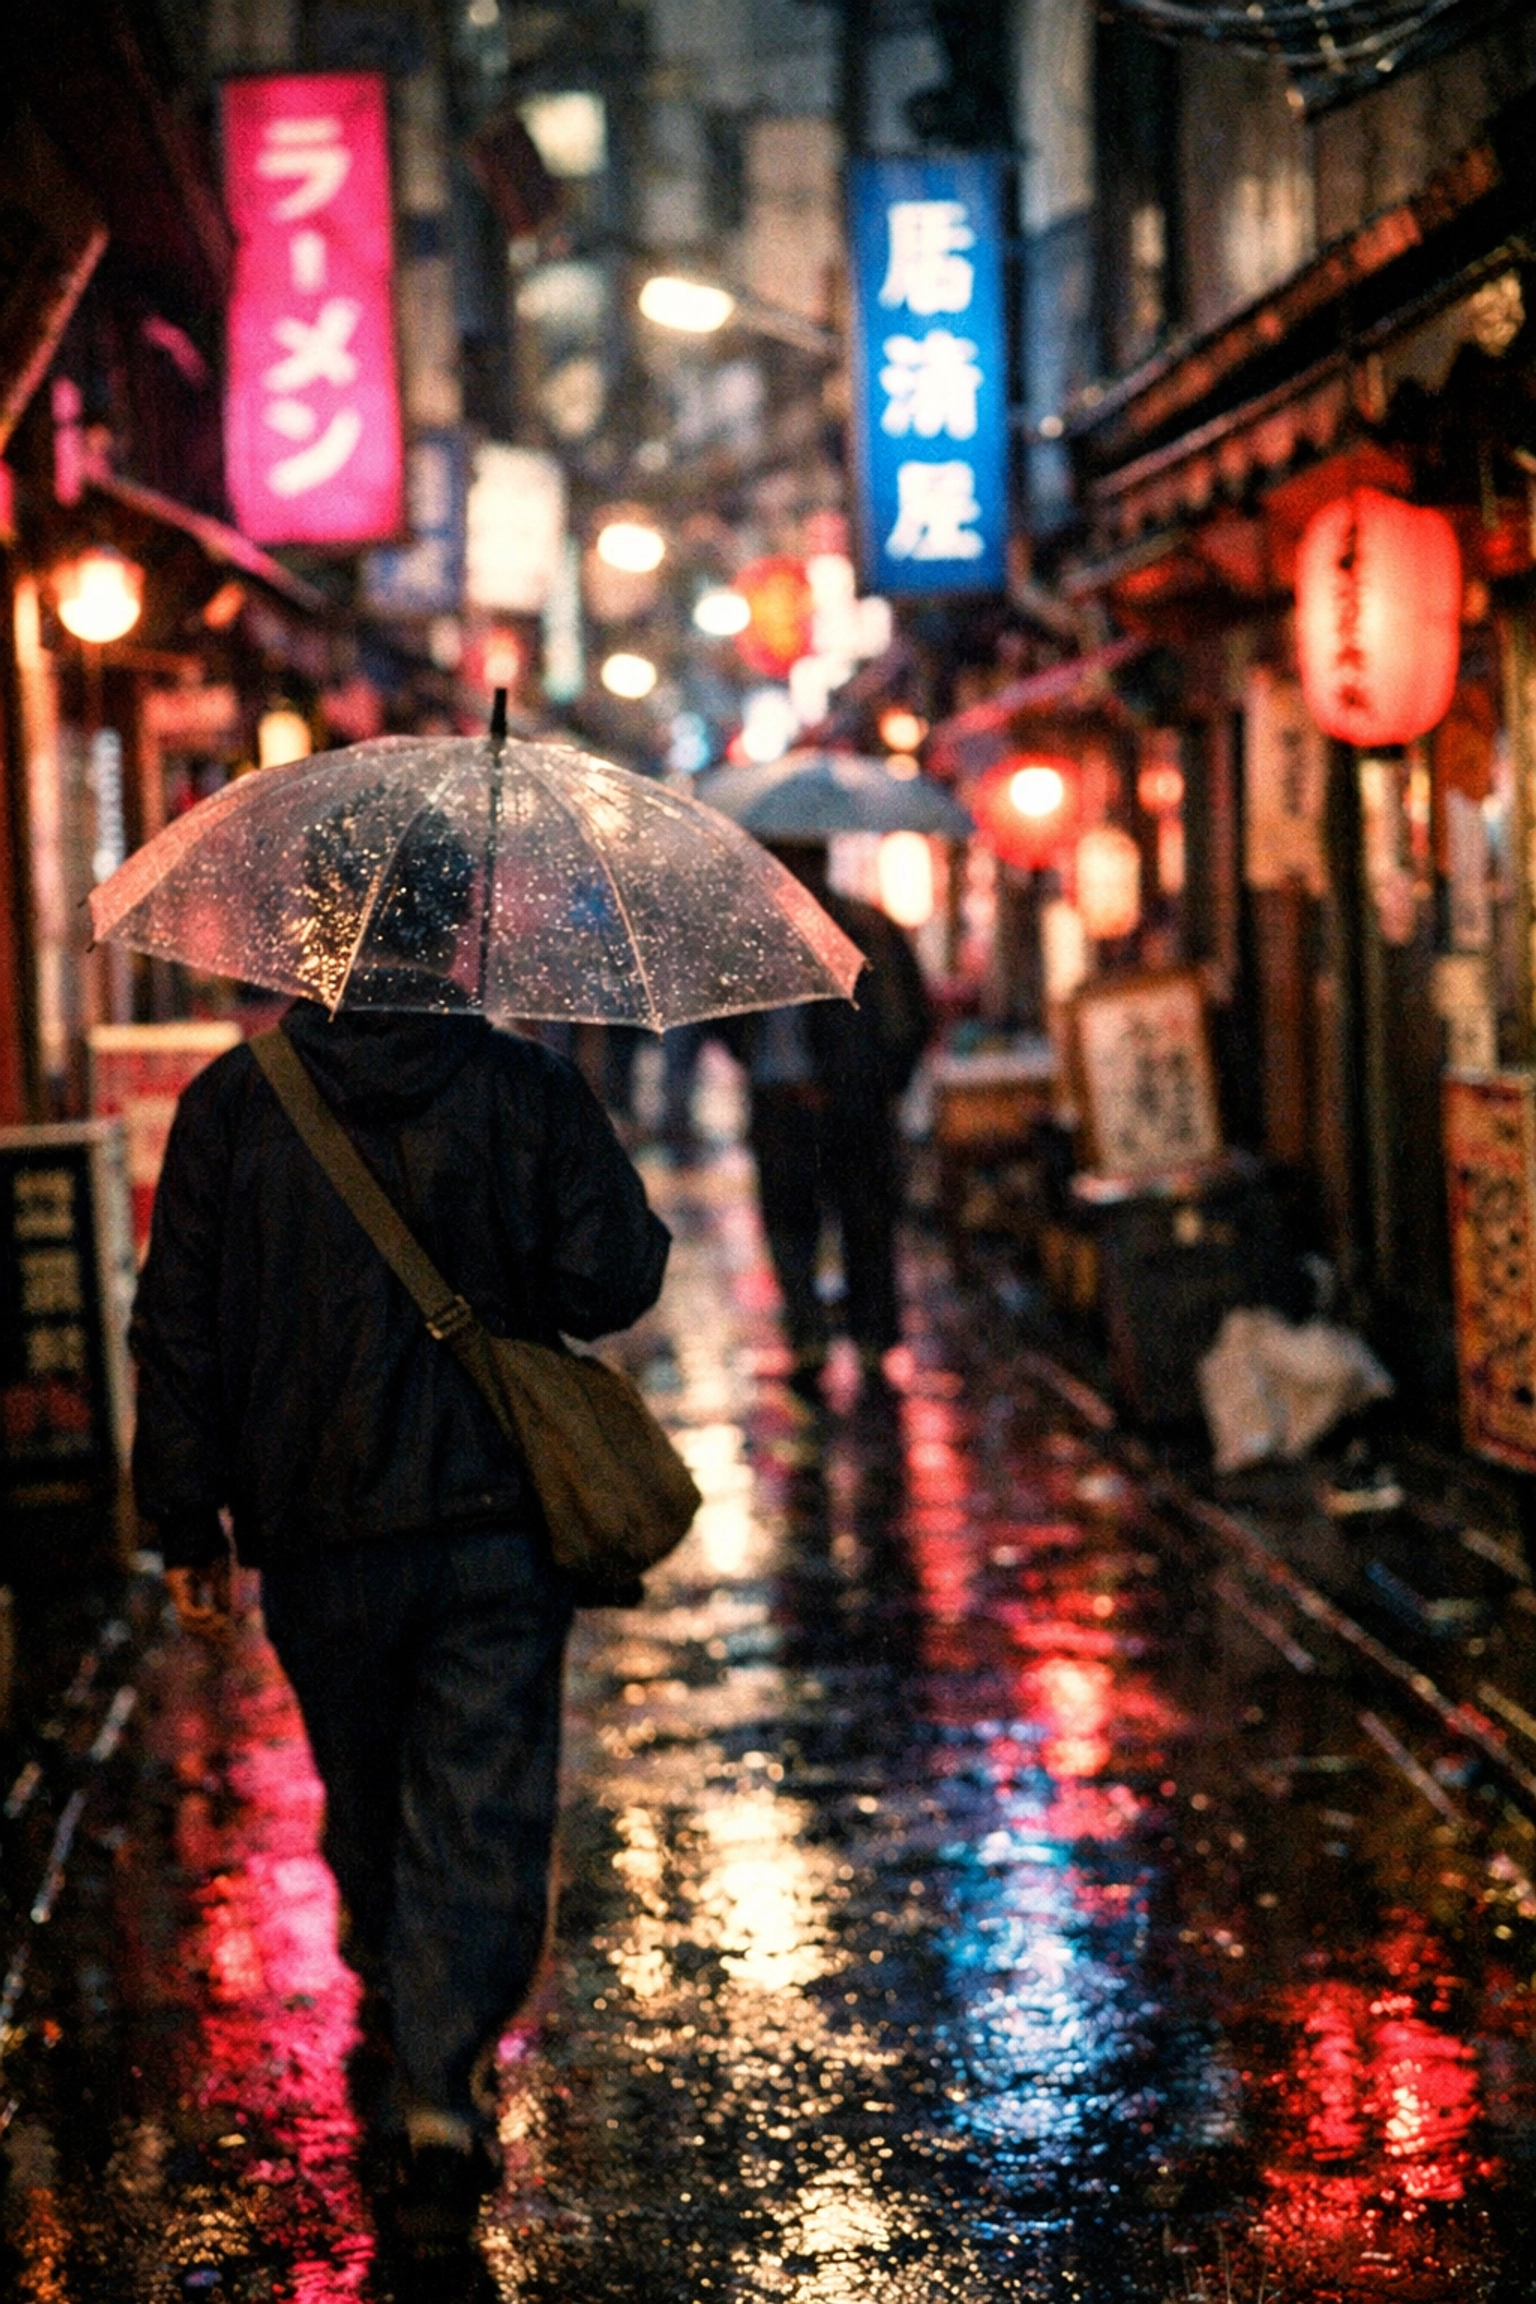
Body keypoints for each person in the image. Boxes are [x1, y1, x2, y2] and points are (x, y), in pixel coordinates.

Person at [129, 806, 670, 2251]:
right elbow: (613, 1278)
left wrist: (186, 1518)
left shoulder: (230, 1107)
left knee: (368, 1790)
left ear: (316, 931)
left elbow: (177, 1330)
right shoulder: (525, 1089)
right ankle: (437, 2064)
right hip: (496, 1521)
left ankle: (413, 2021)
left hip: (312, 1531)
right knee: (475, 1802)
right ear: (452, 925)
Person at [737, 841, 931, 1402]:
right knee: (790, 1224)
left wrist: (872, 1083)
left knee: (864, 1220)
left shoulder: (865, 929)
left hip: (852, 1106)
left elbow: (906, 1018)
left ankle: (871, 1339)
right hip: (780, 1104)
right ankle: (809, 1336)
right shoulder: (753, 938)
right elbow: (728, 1023)